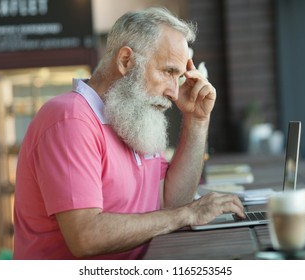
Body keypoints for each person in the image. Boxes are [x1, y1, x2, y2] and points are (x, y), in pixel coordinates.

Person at [13, 7, 245, 260]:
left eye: (178, 77)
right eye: (168, 72)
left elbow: (172, 201)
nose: (174, 92)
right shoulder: (70, 119)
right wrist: (188, 214)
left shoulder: (131, 117)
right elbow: (85, 236)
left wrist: (197, 120)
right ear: (126, 61)